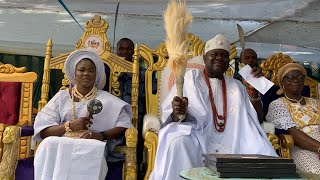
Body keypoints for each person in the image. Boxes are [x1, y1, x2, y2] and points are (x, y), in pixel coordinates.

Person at [149, 34, 277, 180]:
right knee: (178, 142)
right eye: (214, 54)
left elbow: (257, 118)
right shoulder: (191, 78)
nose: (219, 58)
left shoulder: (238, 85)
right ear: (205, 58)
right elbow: (171, 115)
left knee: (262, 150)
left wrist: (253, 92)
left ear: (228, 61)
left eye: (224, 55)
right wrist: (178, 112)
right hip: (197, 135)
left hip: (235, 138)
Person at [33, 49, 133, 180]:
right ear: (74, 73)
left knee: (94, 147)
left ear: (96, 75)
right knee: (48, 144)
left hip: (92, 143)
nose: (86, 74)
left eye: (91, 70)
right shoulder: (61, 97)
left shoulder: (107, 99)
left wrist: (100, 135)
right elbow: (43, 131)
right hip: (62, 143)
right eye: (81, 70)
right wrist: (69, 126)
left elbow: (124, 126)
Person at [266, 63, 320, 175]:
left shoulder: (316, 102)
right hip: (300, 147)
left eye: (300, 77)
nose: (296, 80)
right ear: (282, 83)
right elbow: (293, 133)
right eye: (290, 77)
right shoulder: (277, 105)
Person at [239, 48, 264, 123]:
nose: (250, 60)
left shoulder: (262, 77)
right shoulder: (235, 79)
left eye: (253, 58)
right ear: (240, 61)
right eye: (247, 58)